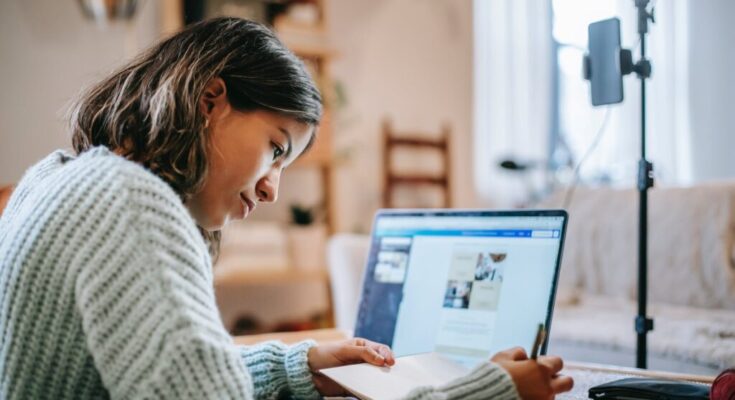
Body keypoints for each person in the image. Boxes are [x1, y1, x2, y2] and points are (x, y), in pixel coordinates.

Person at [0, 17, 573, 399]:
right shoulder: (130, 202)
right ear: (209, 101)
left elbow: (181, 377)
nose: (272, 189)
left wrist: (306, 366)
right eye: (276, 148)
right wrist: (484, 389)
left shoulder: (58, 177)